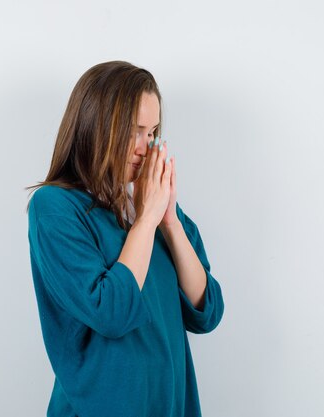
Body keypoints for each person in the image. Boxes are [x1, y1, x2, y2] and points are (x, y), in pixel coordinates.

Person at [24, 60, 225, 417]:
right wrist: (146, 220)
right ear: (96, 127)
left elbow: (206, 311)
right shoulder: (55, 208)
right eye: (134, 131)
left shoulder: (154, 206)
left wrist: (169, 221)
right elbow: (111, 312)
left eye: (153, 132)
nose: (145, 147)